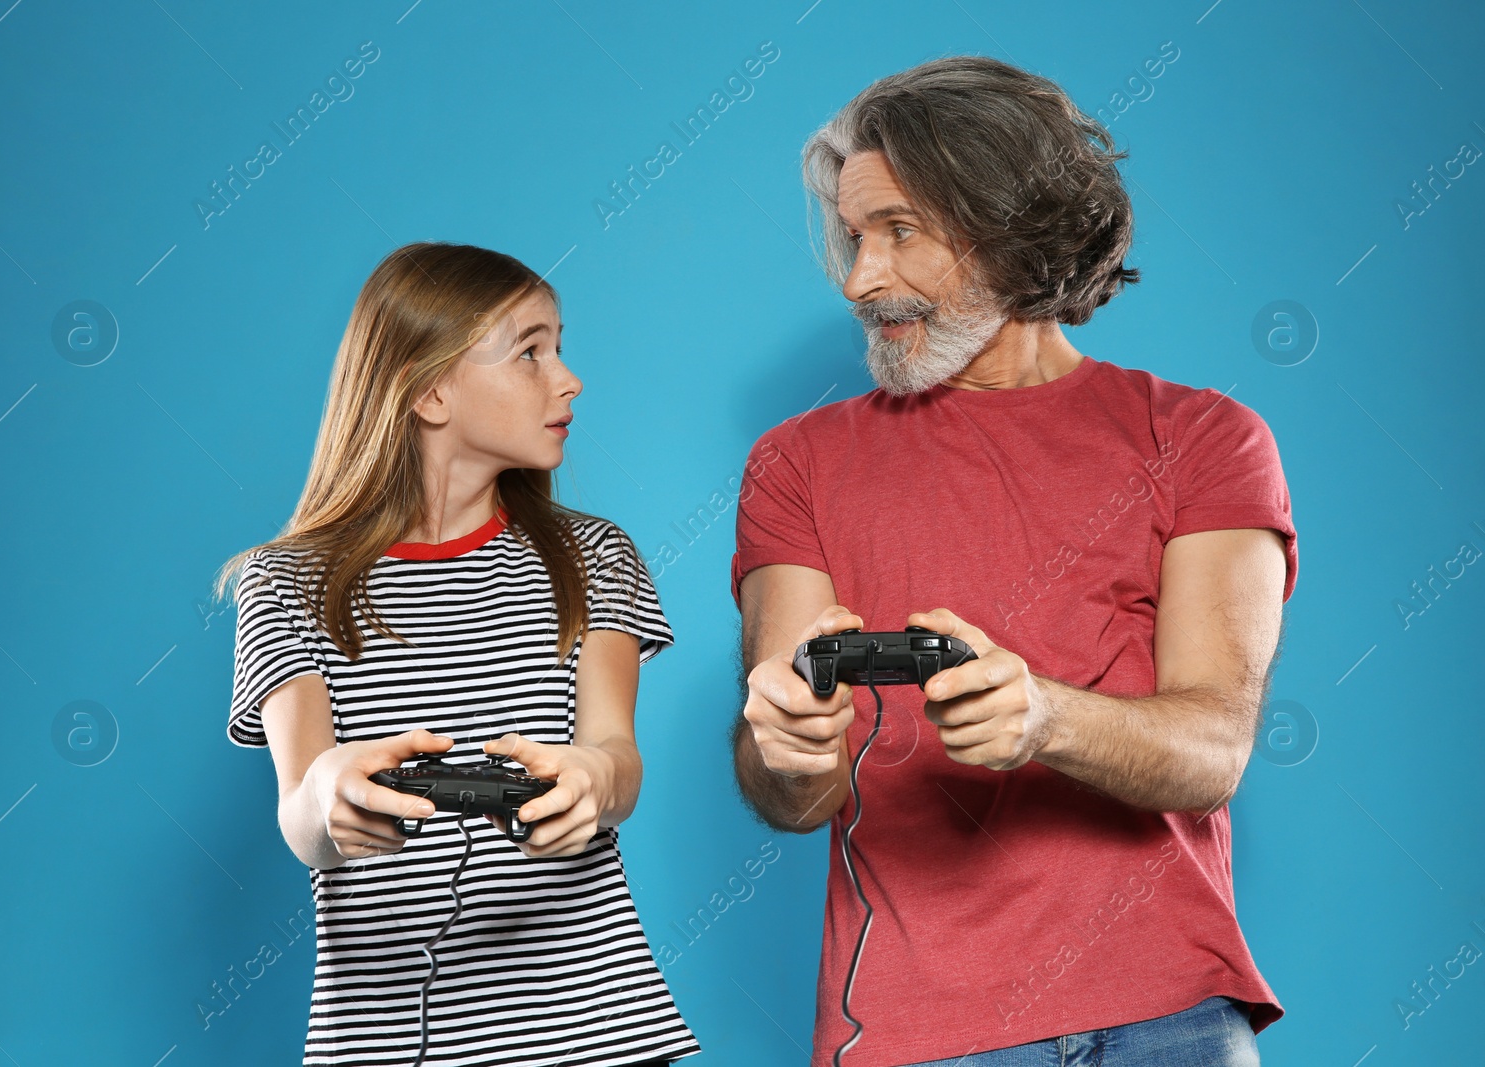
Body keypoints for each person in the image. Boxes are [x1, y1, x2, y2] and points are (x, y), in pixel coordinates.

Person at [730, 57, 1296, 1067]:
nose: (861, 279)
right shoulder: (796, 463)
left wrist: (1044, 715)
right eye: (855, 239)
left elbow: (1213, 751)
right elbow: (790, 793)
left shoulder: (1203, 438)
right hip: (915, 1031)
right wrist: (790, 744)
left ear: (1010, 224)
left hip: (1171, 1019)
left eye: (898, 231)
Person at [217, 242, 700, 1067]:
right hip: (377, 1041)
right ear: (430, 390)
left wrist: (591, 781)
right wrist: (332, 789)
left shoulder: (594, 557)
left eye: (558, 346)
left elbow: (617, 755)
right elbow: (301, 814)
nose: (568, 377)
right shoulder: (287, 582)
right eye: (530, 351)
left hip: (596, 1038)